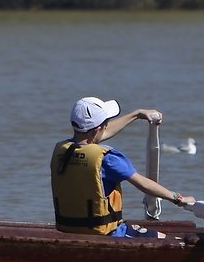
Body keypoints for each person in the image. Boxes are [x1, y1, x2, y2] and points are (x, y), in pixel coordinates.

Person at [51, 96, 196, 237]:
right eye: (106, 123)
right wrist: (177, 198)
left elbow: (95, 135)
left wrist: (137, 114)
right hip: (108, 233)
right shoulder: (108, 159)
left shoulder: (62, 151)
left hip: (68, 228)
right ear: (98, 128)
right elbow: (144, 184)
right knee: (168, 239)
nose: (108, 126)